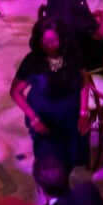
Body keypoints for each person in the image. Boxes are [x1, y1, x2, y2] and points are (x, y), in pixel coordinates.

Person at [12, 22, 87, 170]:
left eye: (54, 41)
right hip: (44, 116)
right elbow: (15, 92)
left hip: (71, 113)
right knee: (49, 161)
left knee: (69, 156)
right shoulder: (32, 61)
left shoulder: (73, 55)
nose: (50, 46)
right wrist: (34, 119)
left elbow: (84, 82)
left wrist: (84, 111)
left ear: (63, 39)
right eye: (45, 42)